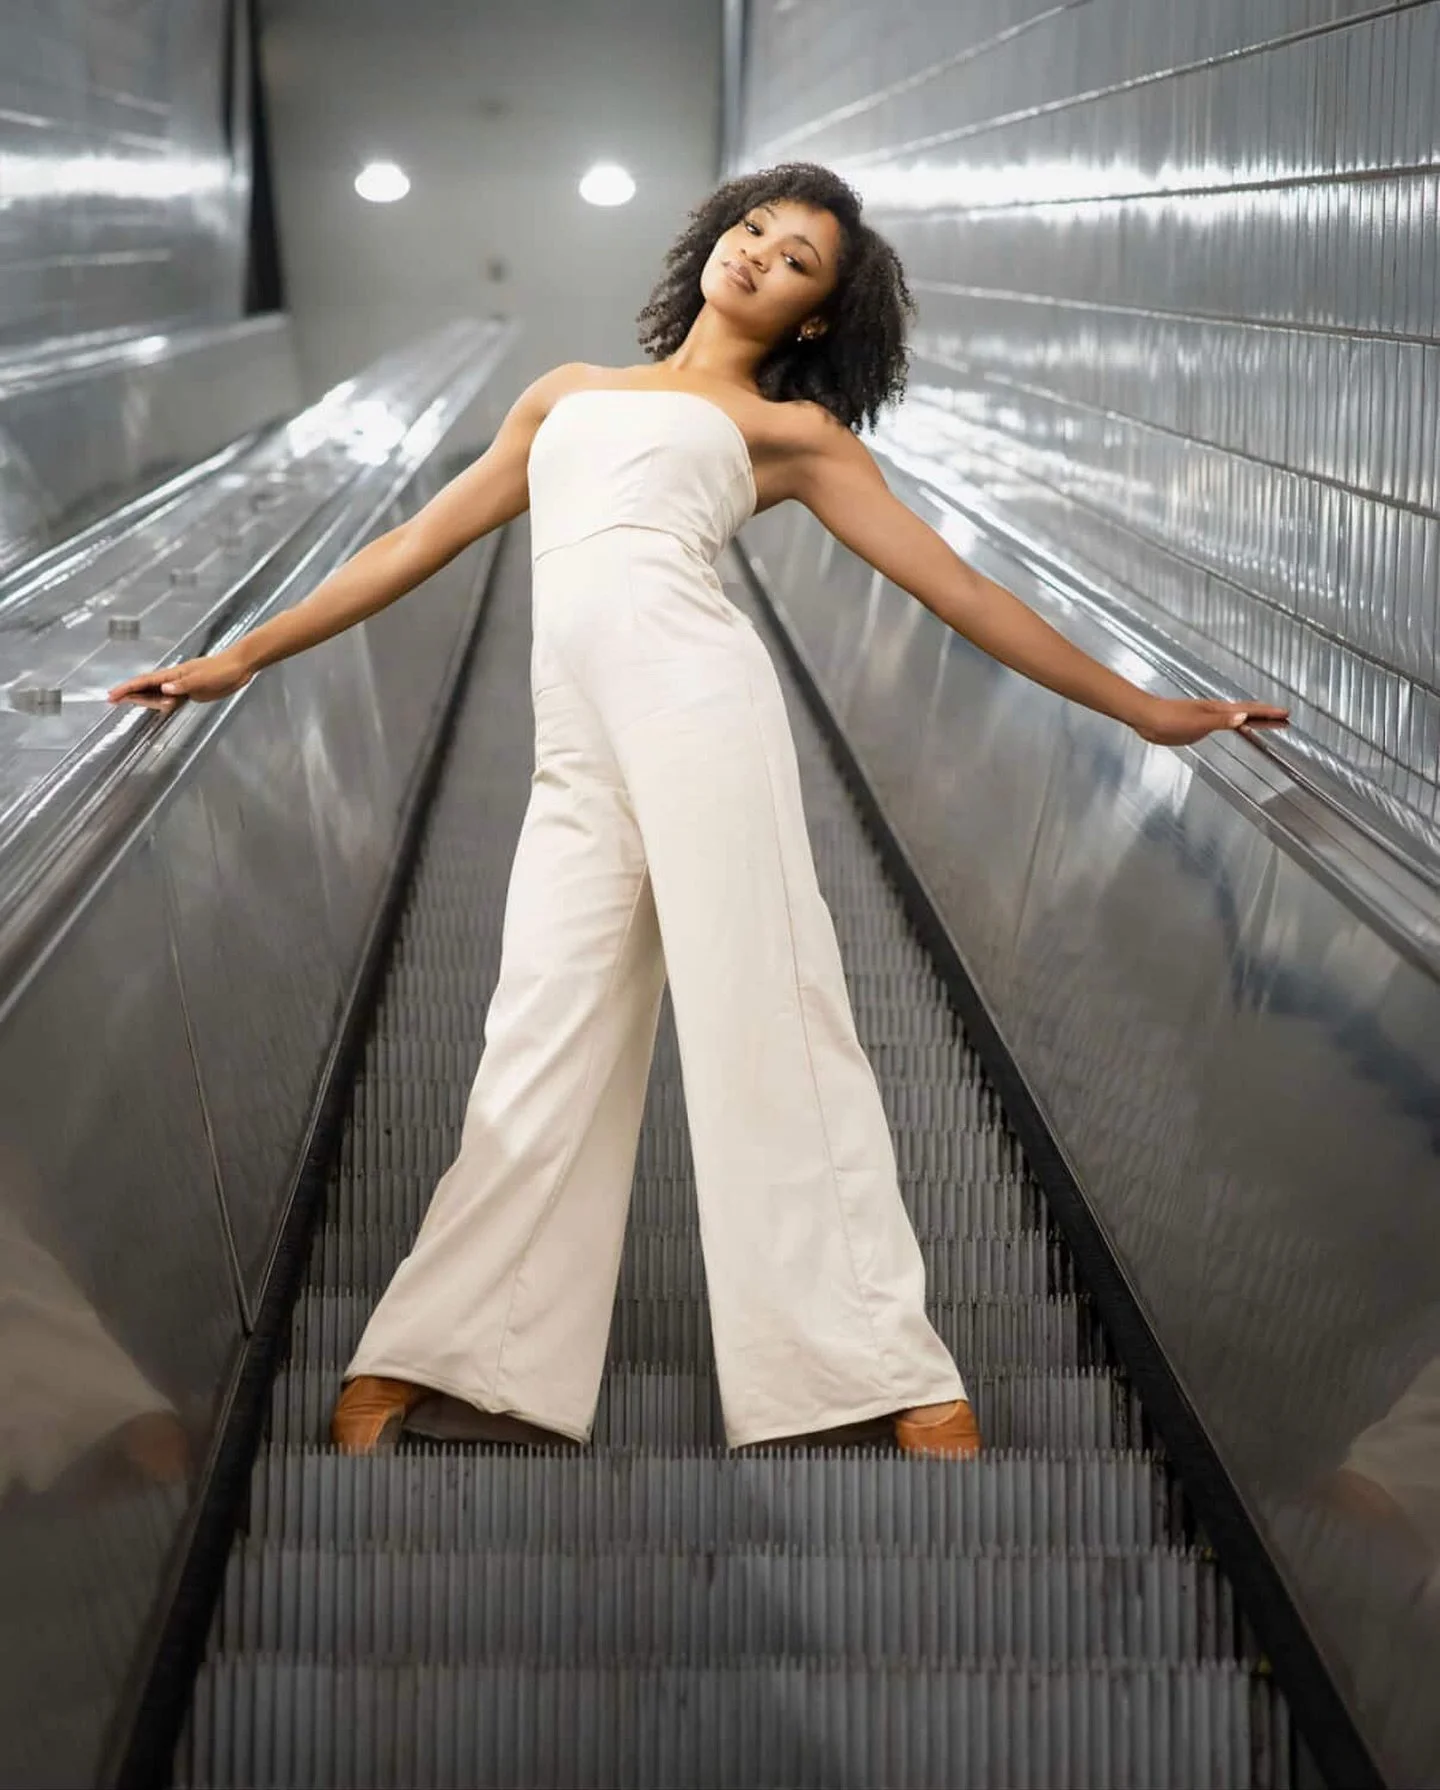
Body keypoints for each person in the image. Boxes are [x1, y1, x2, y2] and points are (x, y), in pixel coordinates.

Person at [108, 162, 1288, 1461]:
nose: (759, 257)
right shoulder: (567, 394)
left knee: (773, 1017)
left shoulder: (793, 438)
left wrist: (1140, 708)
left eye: (795, 262)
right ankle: (451, 1353)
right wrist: (245, 654)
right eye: (753, 231)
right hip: (578, 752)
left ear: (815, 320)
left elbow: (959, 592)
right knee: (539, 1028)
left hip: (702, 712)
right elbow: (415, 543)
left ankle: (881, 1364)